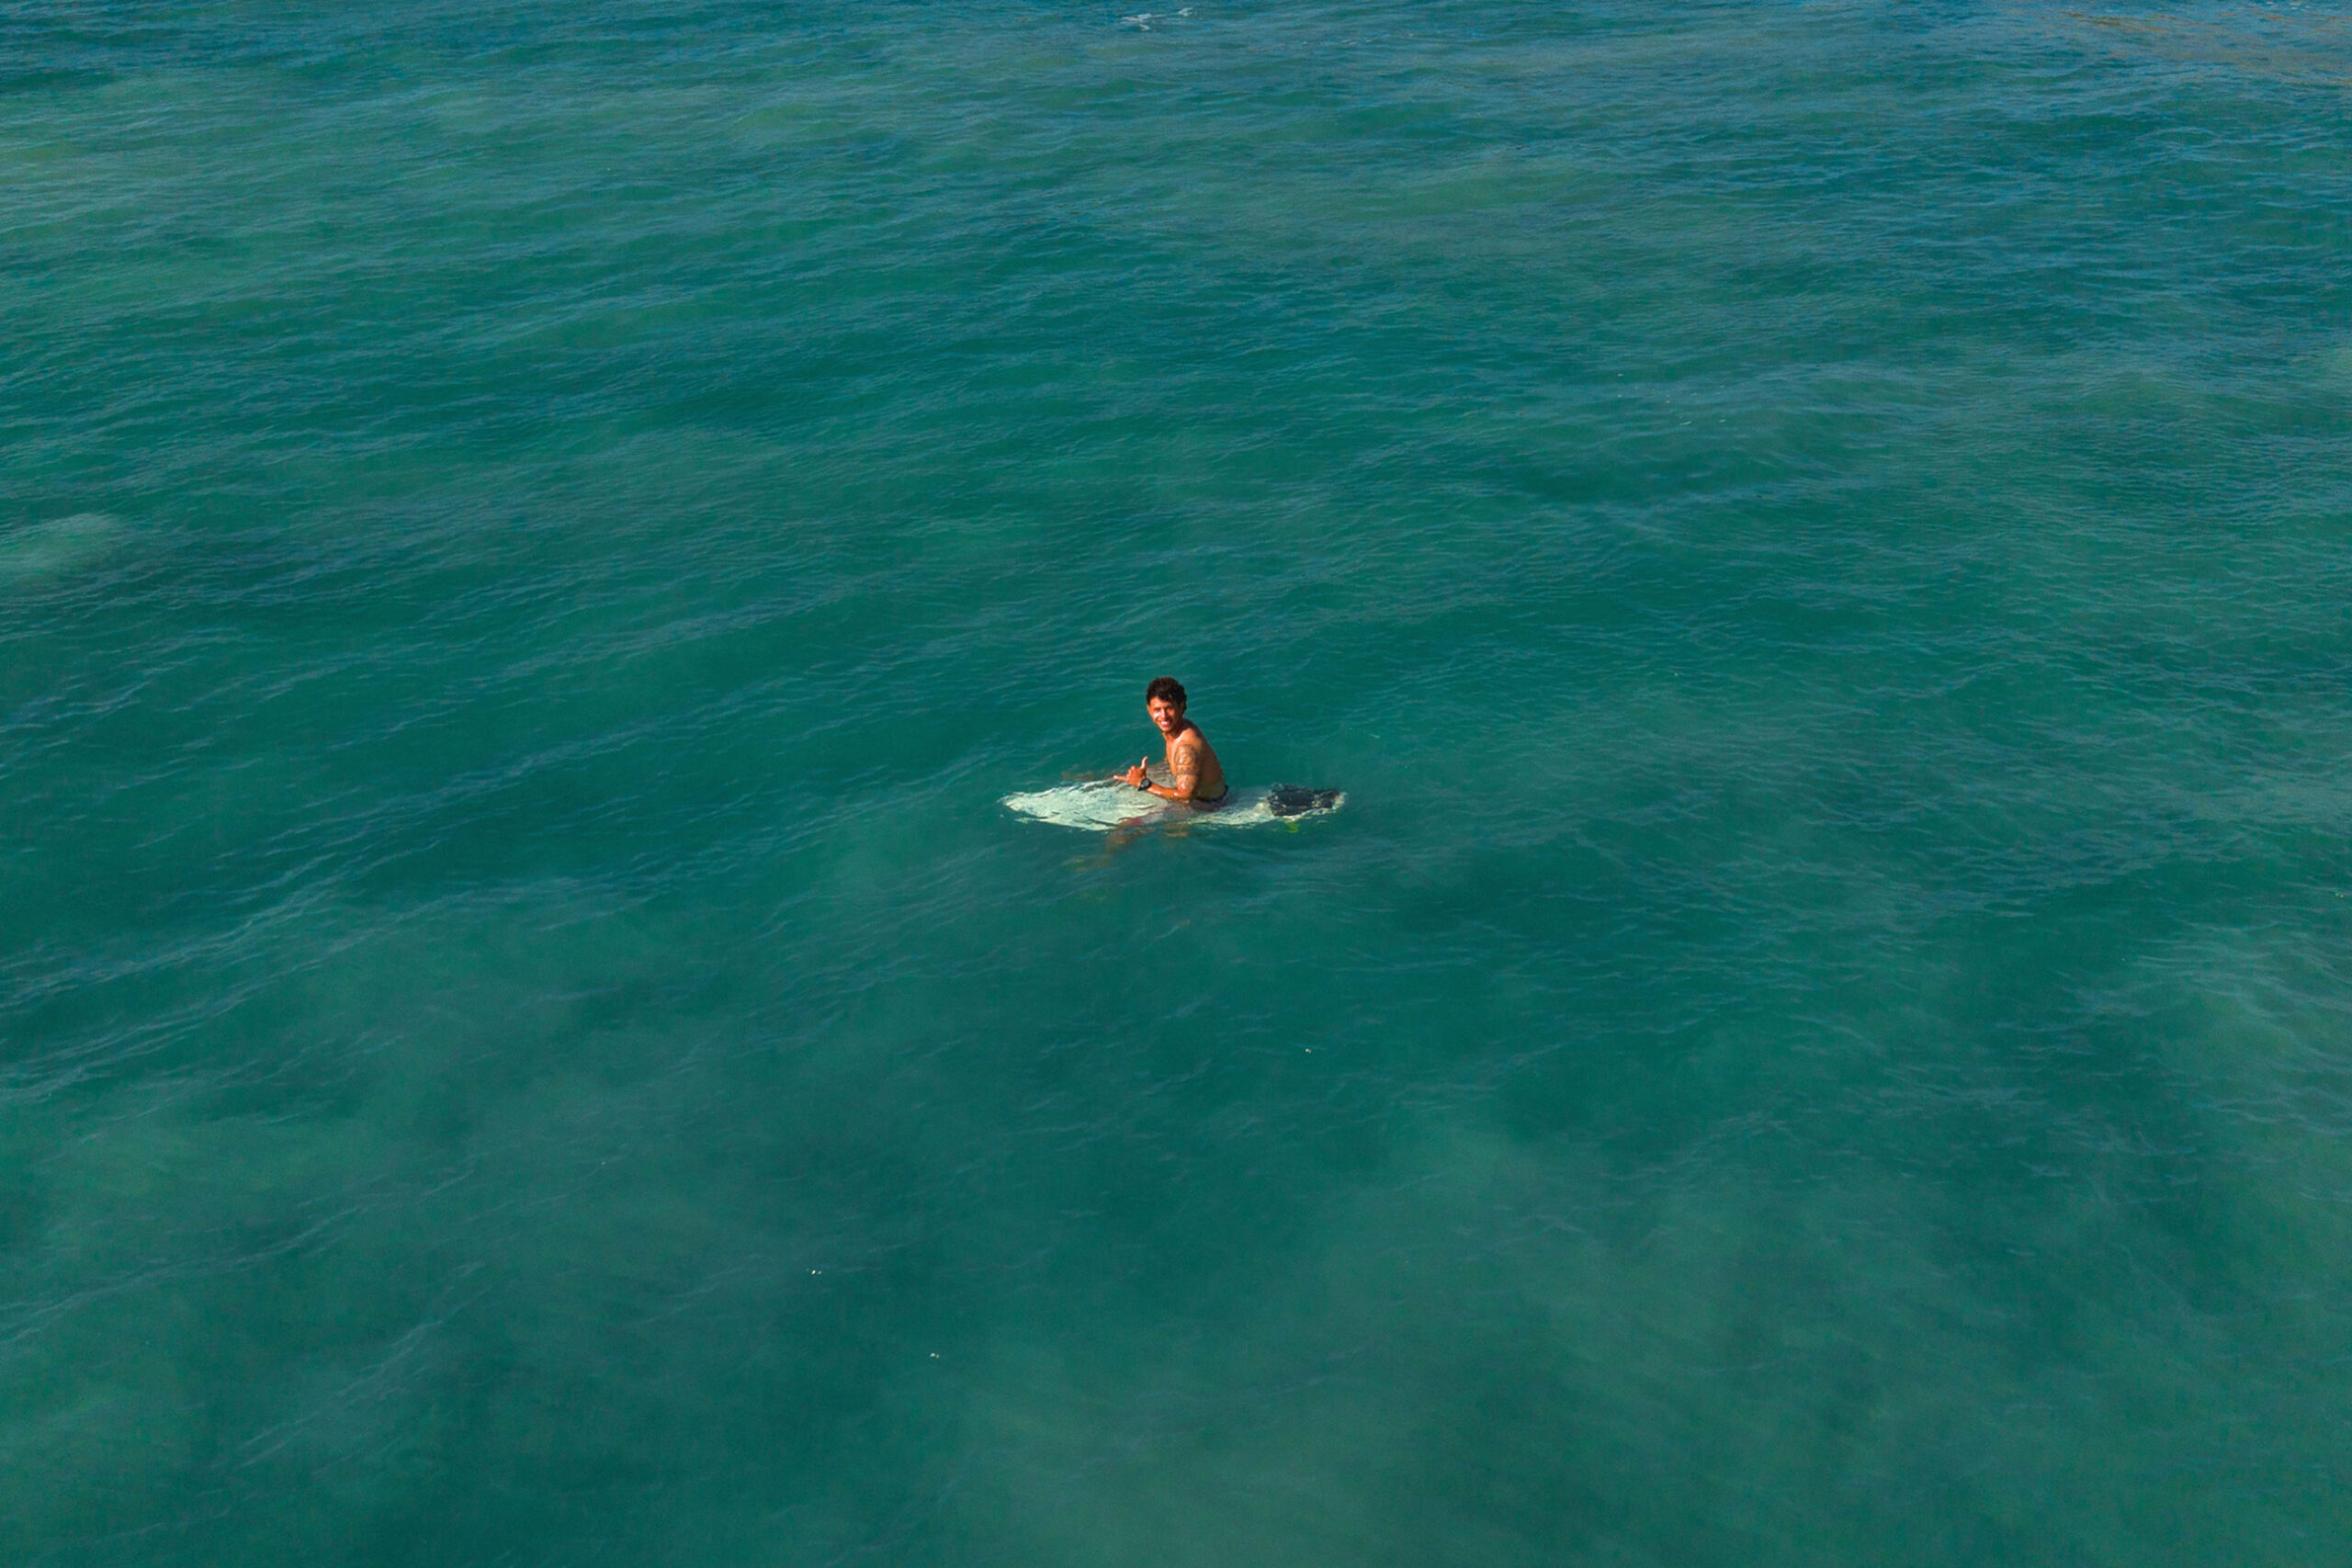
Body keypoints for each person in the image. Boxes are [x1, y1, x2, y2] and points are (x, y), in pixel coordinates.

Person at [1120, 676, 1227, 806]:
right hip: (1194, 794)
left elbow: (1186, 796)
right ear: (1149, 709)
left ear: (1181, 707)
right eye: (1157, 710)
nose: (1163, 716)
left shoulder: (1186, 745)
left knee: (1126, 824)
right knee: (1118, 780)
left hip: (1207, 806)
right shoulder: (1173, 730)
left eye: (1169, 708)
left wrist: (1143, 783)